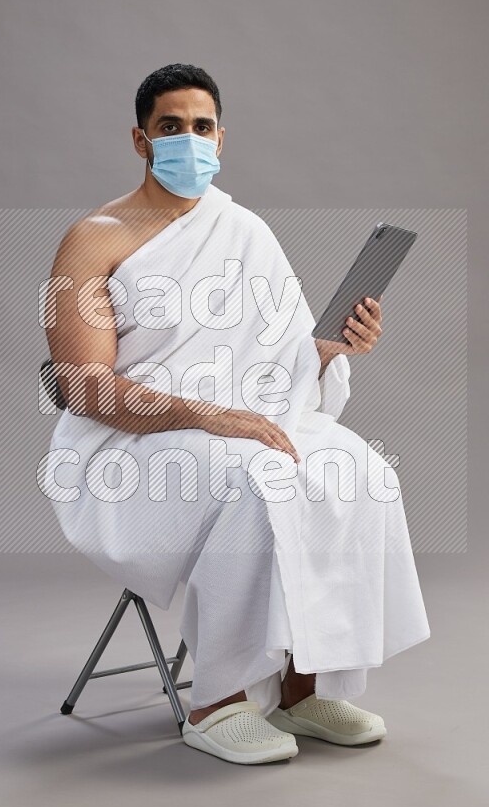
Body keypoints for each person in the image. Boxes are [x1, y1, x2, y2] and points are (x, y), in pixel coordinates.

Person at [40, 63, 430, 766]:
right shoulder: (93, 239)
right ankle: (216, 703)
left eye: (202, 127)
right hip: (129, 443)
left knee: (358, 471)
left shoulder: (244, 229)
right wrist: (211, 417)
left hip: (239, 422)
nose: (188, 140)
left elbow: (276, 361)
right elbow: (84, 387)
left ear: (222, 139)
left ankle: (304, 689)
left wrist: (331, 348)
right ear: (139, 138)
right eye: (170, 128)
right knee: (257, 480)